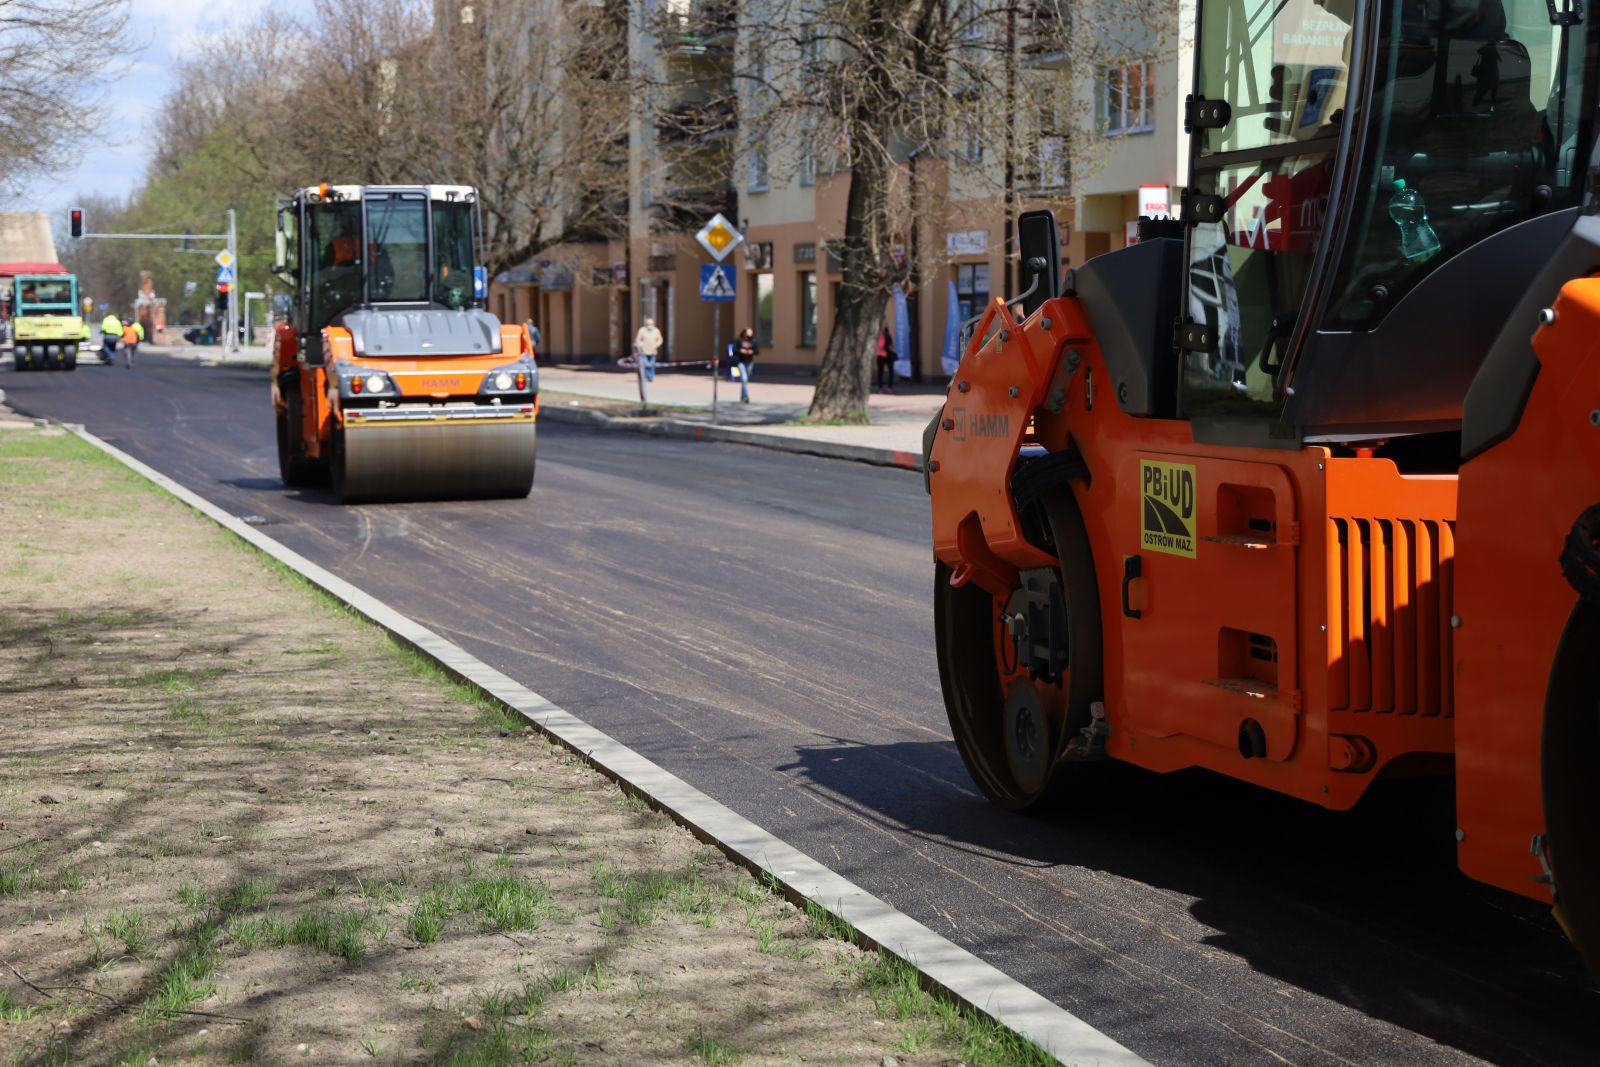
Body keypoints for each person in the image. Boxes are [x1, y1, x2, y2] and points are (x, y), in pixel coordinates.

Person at [633, 317, 664, 404]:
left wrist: (656, 345)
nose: (649, 325)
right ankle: (647, 377)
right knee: (645, 364)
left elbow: (660, 340)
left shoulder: (656, 331)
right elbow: (638, 339)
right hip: (644, 351)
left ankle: (651, 377)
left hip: (653, 351)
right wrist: (641, 345)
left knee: (652, 364)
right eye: (648, 324)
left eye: (651, 324)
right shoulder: (642, 330)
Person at [732, 327, 758, 403]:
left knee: (745, 380)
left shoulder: (753, 341)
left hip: (750, 362)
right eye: (749, 332)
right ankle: (746, 396)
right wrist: (741, 350)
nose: (750, 334)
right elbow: (734, 350)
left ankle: (742, 395)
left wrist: (752, 351)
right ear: (744, 333)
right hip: (741, 362)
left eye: (751, 332)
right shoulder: (739, 340)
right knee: (744, 379)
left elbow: (757, 351)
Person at [875, 324, 897, 394]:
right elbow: (892, 346)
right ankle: (889, 387)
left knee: (880, 372)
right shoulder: (889, 335)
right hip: (887, 355)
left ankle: (881, 388)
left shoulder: (880, 336)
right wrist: (889, 347)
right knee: (890, 371)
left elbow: (880, 346)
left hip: (881, 355)